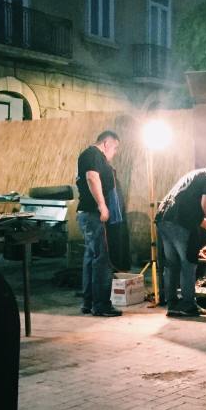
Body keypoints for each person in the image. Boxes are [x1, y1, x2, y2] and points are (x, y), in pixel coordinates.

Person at [155, 159, 206, 317]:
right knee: (188, 262)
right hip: (180, 224)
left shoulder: (197, 174)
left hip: (164, 219)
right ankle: (188, 304)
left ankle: (173, 304)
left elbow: (191, 210)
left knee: (172, 264)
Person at [76, 130, 122, 317]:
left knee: (91, 258)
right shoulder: (93, 154)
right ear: (106, 143)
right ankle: (101, 304)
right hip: (93, 214)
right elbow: (91, 177)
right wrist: (102, 206)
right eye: (115, 148)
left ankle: (88, 302)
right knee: (101, 260)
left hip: (89, 214)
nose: (115, 152)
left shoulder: (90, 155)